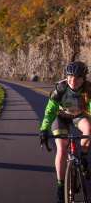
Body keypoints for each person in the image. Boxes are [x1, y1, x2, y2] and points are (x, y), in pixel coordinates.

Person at [40, 61, 91, 203]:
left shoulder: (89, 89)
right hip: (60, 117)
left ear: (83, 78)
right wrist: (44, 129)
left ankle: (84, 157)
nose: (73, 80)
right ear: (66, 76)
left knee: (88, 129)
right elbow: (50, 111)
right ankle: (60, 186)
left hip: (78, 116)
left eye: (77, 77)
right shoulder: (60, 88)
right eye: (70, 77)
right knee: (62, 149)